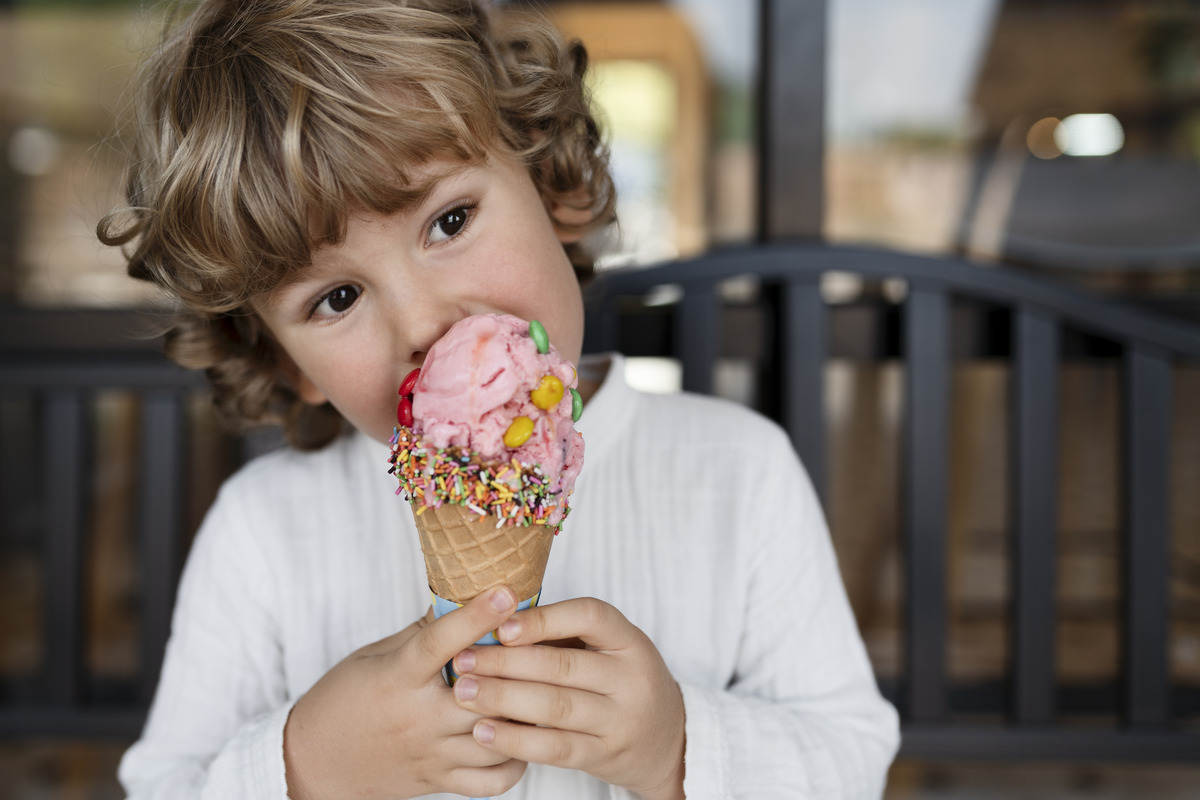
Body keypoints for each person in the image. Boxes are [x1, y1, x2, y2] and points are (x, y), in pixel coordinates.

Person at [99, 1, 900, 797]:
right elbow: (165, 784)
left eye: (449, 220)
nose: (422, 320)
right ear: (285, 362)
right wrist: (308, 767)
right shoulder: (261, 534)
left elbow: (849, 757)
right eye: (337, 298)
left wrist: (679, 748)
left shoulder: (738, 472)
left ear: (555, 190)